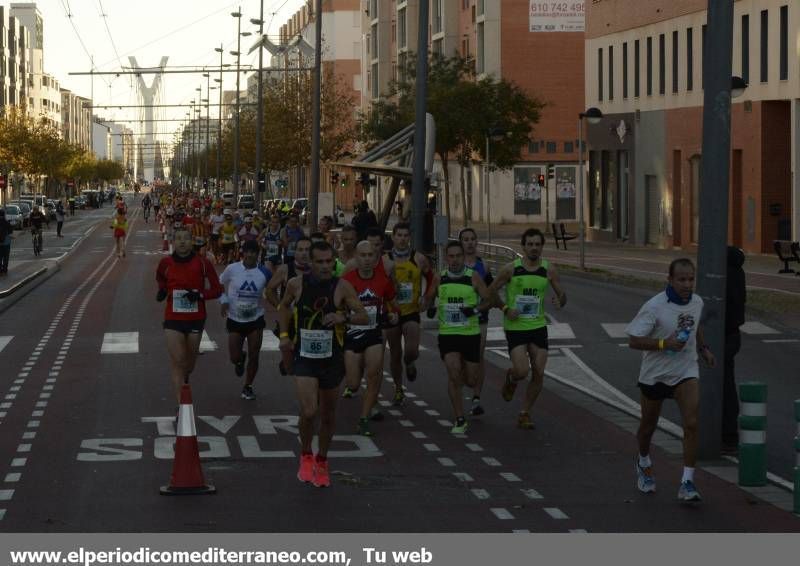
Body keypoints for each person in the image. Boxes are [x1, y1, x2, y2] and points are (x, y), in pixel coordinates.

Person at [277, 240, 369, 488]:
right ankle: (306, 454)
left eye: (329, 261)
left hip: (331, 358)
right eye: (320, 262)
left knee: (328, 414)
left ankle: (322, 460)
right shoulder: (297, 285)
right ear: (310, 262)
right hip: (305, 356)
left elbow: (363, 315)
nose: (326, 266)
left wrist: (343, 316)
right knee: (309, 411)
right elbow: (283, 307)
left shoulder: (343, 286)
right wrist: (284, 336)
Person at [627, 258, 716, 502]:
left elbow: (694, 324)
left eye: (691, 279)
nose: (687, 284)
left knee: (692, 423)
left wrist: (704, 348)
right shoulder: (654, 306)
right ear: (670, 279)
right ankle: (643, 462)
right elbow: (633, 340)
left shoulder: (697, 302)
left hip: (685, 371)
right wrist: (664, 344)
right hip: (655, 374)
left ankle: (687, 482)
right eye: (681, 279)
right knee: (648, 427)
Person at [488, 228, 566, 430]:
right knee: (522, 371)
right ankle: (512, 377)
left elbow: (562, 295)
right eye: (530, 244)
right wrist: (505, 308)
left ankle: (525, 413)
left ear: (542, 247)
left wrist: (559, 300)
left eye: (537, 244)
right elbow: (490, 292)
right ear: (523, 246)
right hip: (516, 327)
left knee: (539, 373)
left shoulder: (549, 270)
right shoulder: (510, 269)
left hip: (538, 326)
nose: (533, 248)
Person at [430, 241, 494, 434]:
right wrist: (429, 306)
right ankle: (459, 418)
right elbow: (428, 298)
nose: (455, 259)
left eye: (458, 256)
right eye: (451, 256)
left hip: (470, 334)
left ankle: (468, 388)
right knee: (453, 372)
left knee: (471, 380)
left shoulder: (473, 277)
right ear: (446, 258)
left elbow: (488, 300)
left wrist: (474, 309)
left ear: (463, 257)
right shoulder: (439, 278)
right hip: (448, 333)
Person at [156, 226, 224, 404]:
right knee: (178, 361)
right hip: (173, 318)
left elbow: (217, 290)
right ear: (173, 241)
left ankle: (186, 376)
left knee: (188, 364)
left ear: (191, 240)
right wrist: (162, 290)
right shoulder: (166, 263)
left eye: (186, 238)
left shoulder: (203, 263)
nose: (182, 242)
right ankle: (181, 407)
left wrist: (200, 295)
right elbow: (160, 278)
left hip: (196, 318)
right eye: (178, 238)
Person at [342, 241, 399, 437]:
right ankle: (353, 374)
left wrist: (393, 315)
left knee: (374, 374)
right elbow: (337, 305)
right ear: (356, 258)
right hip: (352, 334)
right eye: (363, 255)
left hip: (374, 333)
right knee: (353, 384)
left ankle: (364, 418)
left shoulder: (383, 280)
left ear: (376, 259)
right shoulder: (347, 280)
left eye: (370, 256)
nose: (367, 259)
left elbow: (392, 303)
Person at [383, 222, 436, 405]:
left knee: (411, 350)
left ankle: (410, 362)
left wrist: (427, 298)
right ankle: (398, 389)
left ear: (409, 238)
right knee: (395, 354)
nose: (403, 239)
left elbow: (432, 278)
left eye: (406, 235)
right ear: (393, 237)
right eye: (399, 235)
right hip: (391, 312)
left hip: (411, 311)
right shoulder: (385, 260)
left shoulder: (418, 258)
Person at [219, 240, 272, 400]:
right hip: (235, 319)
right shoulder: (232, 268)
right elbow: (220, 282)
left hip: (255, 319)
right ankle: (240, 359)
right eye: (247, 252)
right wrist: (223, 300)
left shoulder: (265, 272)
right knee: (234, 357)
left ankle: (248, 386)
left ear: (257, 255)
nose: (250, 255)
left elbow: (272, 289)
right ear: (243, 253)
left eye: (253, 252)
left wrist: (280, 305)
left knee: (254, 354)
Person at [459, 227, 493, 417]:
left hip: (480, 318)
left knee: (479, 356)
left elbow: (491, 290)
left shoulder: (484, 265)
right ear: (461, 243)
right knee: (464, 360)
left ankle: (477, 398)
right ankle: (467, 381)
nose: (470, 242)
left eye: (473, 239)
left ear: (477, 242)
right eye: (466, 239)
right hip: (460, 320)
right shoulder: (455, 265)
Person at [723, 246, 746, 454]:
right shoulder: (738, 271)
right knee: (726, 382)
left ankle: (727, 435)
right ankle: (728, 434)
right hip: (733, 333)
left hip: (722, 334)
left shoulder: (724, 273)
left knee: (722, 385)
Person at [0, 209, 13, 275]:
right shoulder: (7, 222)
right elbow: (11, 232)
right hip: (6, 243)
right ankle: (4, 269)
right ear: (4, 215)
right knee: (6, 257)